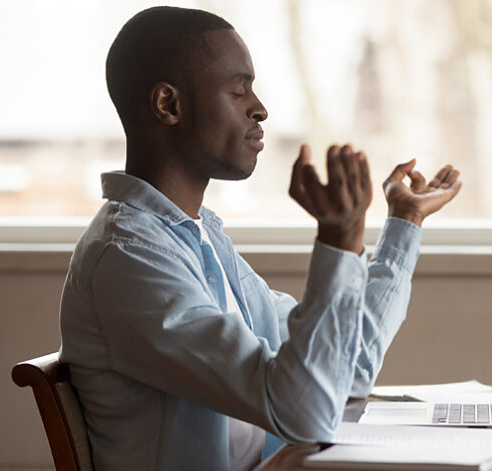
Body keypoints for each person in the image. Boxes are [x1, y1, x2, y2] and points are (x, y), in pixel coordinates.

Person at [59, 6, 462, 471]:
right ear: (169, 104)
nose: (260, 108)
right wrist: (338, 239)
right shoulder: (130, 258)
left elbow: (347, 367)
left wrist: (403, 225)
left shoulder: (197, 239)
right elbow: (306, 414)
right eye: (238, 90)